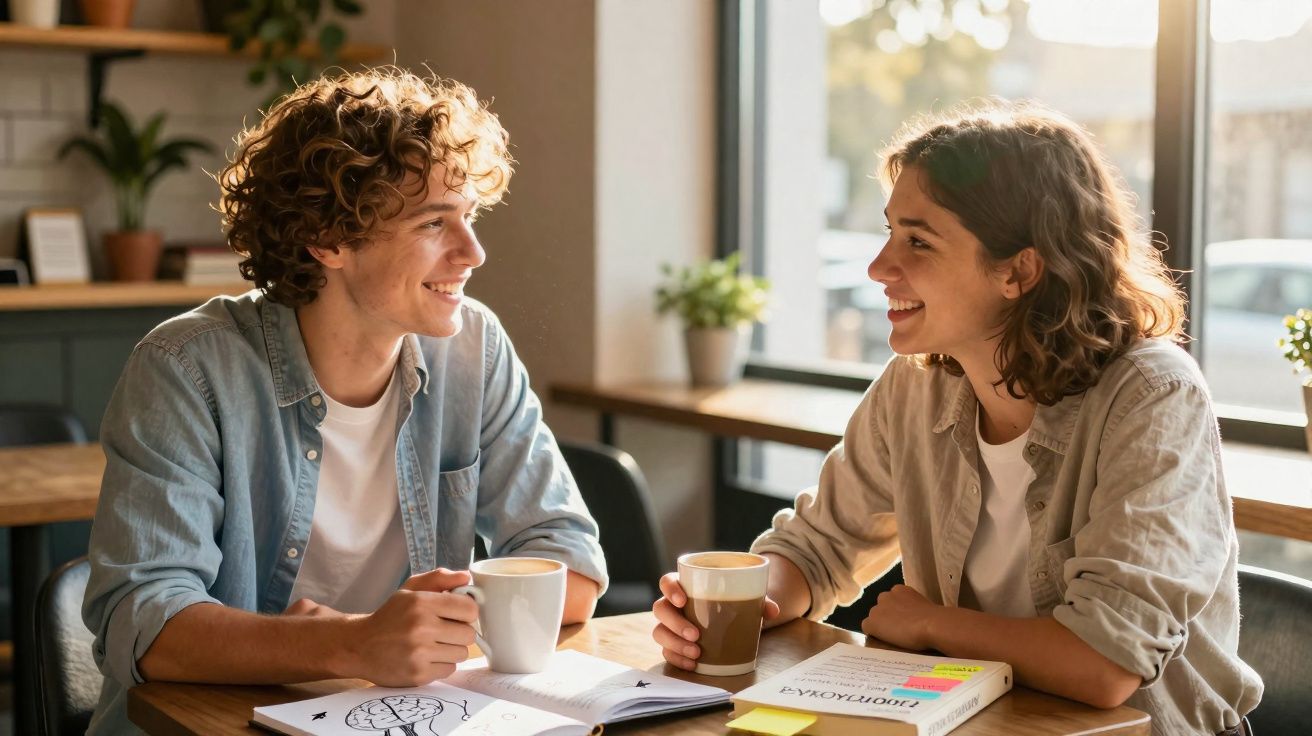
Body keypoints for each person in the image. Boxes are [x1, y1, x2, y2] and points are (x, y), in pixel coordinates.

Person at [651, 100, 1262, 735]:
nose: (879, 267)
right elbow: (819, 547)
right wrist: (737, 602)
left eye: (918, 241)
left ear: (1018, 270)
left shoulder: (1151, 397)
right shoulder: (916, 386)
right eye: (889, 232)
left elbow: (1106, 664)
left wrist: (932, 624)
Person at [82, 69, 608, 735]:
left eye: (468, 217)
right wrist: (356, 645)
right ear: (327, 239)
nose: (472, 252)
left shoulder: (474, 347)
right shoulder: (186, 368)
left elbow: (571, 564)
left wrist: (431, 627)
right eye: (433, 222)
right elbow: (144, 622)